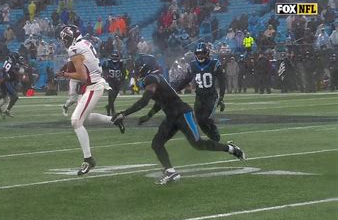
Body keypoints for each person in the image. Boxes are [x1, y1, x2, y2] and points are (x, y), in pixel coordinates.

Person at [111, 54, 246, 185]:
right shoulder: (155, 78)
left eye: (138, 65)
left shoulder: (151, 78)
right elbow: (161, 101)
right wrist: (149, 115)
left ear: (144, 66)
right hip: (172, 116)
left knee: (197, 144)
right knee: (157, 143)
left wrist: (124, 113)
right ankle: (171, 172)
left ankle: (231, 149)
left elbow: (144, 101)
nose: (136, 68)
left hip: (183, 114)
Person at [57, 25, 125, 176]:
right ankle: (114, 119)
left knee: (76, 121)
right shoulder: (85, 43)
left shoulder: (74, 48)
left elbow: (81, 76)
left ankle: (88, 159)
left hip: (93, 86)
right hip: (93, 84)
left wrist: (66, 75)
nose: (64, 42)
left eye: (66, 39)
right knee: (85, 117)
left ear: (73, 37)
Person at [176, 42, 226, 142]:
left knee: (206, 118)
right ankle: (214, 137)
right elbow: (187, 79)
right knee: (199, 120)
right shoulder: (193, 65)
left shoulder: (214, 63)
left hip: (211, 96)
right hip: (199, 97)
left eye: (202, 53)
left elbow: (222, 80)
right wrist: (176, 88)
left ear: (207, 53)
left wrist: (221, 97)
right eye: (198, 53)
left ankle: (215, 136)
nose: (200, 55)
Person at [0, 53, 23, 119]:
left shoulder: (7, 61)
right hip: (7, 81)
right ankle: (7, 110)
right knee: (15, 97)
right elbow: (11, 71)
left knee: (3, 95)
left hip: (3, 80)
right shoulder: (12, 64)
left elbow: (8, 68)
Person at [102, 50, 126, 116]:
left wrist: (121, 80)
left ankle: (108, 107)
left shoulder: (121, 63)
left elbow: (124, 73)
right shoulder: (107, 62)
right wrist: (106, 77)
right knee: (111, 96)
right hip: (110, 81)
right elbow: (104, 70)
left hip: (117, 82)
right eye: (113, 56)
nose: (115, 58)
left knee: (114, 97)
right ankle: (111, 110)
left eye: (116, 56)